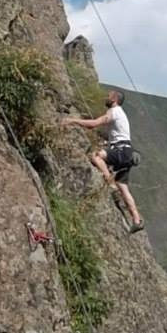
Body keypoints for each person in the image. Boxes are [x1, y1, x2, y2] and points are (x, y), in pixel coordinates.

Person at [63, 89, 144, 234]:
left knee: (96, 156)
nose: (106, 98)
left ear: (114, 99)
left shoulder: (114, 112)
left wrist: (72, 120)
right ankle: (137, 220)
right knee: (123, 187)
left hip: (121, 150)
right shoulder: (120, 114)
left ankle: (109, 182)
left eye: (108, 96)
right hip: (127, 151)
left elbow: (94, 124)